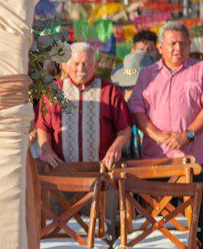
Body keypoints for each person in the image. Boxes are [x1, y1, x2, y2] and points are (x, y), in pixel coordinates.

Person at [128, 23, 203, 249]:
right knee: (156, 217)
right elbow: (137, 109)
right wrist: (158, 135)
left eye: (182, 43)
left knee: (200, 217)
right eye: (172, 43)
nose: (177, 47)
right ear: (160, 47)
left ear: (190, 44)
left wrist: (187, 135)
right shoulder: (147, 74)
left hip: (196, 157)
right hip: (157, 159)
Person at [34, 41, 131, 170]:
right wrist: (46, 150)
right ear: (67, 65)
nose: (81, 69)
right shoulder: (53, 92)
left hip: (101, 170)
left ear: (95, 65)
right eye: (76, 64)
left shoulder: (110, 91)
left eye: (86, 63)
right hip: (61, 171)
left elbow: (125, 129)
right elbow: (43, 127)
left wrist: (115, 148)